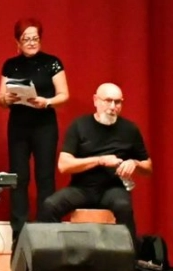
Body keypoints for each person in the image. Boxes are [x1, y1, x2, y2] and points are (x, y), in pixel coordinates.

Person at [38, 83, 150, 243]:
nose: (113, 107)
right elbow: (64, 165)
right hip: (81, 188)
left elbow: (148, 166)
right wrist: (100, 160)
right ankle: (54, 258)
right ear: (96, 100)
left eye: (118, 102)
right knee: (50, 206)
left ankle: (127, 262)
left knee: (124, 207)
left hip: (113, 188)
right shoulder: (79, 125)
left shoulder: (129, 129)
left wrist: (134, 163)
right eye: (108, 101)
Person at [0, 17, 69, 244]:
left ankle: (46, 226)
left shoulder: (52, 62)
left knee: (45, 175)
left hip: (44, 124)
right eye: (26, 39)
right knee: (18, 176)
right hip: (18, 124)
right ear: (17, 41)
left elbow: (64, 95)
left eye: (35, 38)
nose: (31, 42)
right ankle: (19, 229)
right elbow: (0, 98)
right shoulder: (11, 64)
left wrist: (46, 102)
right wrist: (6, 98)